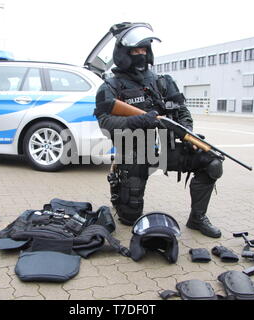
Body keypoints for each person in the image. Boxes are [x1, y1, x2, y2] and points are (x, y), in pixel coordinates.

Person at [94, 23, 224, 238]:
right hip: (134, 152)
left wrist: (188, 132)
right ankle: (124, 202)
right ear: (123, 53)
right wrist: (141, 120)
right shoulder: (111, 86)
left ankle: (197, 218)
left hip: (167, 148)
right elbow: (105, 122)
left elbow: (182, 111)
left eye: (144, 50)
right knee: (129, 218)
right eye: (136, 51)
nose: (141, 55)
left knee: (212, 163)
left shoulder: (163, 82)